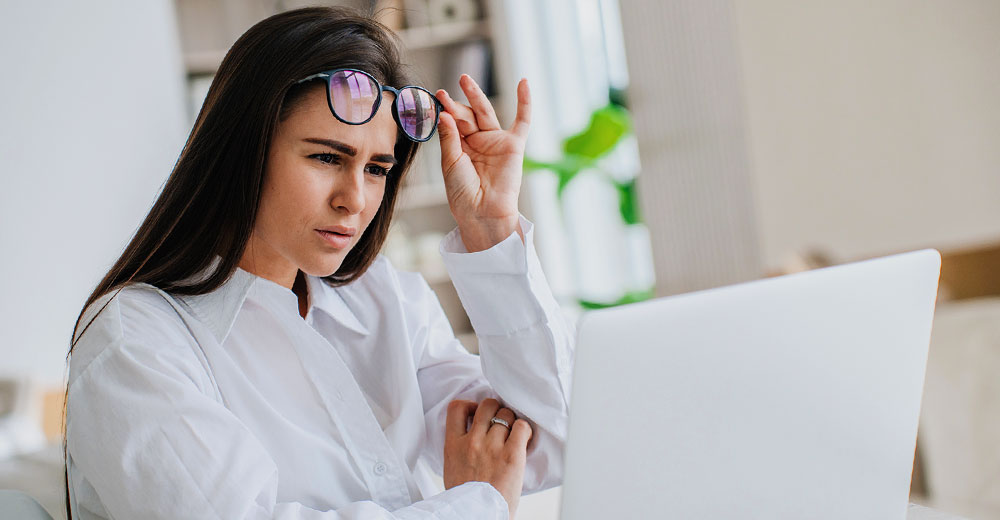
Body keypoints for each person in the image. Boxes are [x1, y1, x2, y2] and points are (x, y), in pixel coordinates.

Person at [64, 6, 574, 520]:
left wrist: (491, 230)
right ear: (245, 150)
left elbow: (548, 445)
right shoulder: (135, 340)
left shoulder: (384, 298)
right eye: (327, 157)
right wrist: (479, 504)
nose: (354, 199)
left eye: (377, 168)